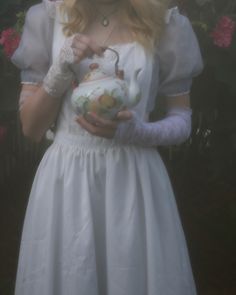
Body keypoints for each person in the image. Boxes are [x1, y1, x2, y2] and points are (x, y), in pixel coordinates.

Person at [11, 0, 203, 294]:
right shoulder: (48, 19)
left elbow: (182, 120)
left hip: (135, 184)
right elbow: (31, 128)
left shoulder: (163, 22)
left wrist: (137, 132)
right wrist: (61, 67)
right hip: (66, 183)